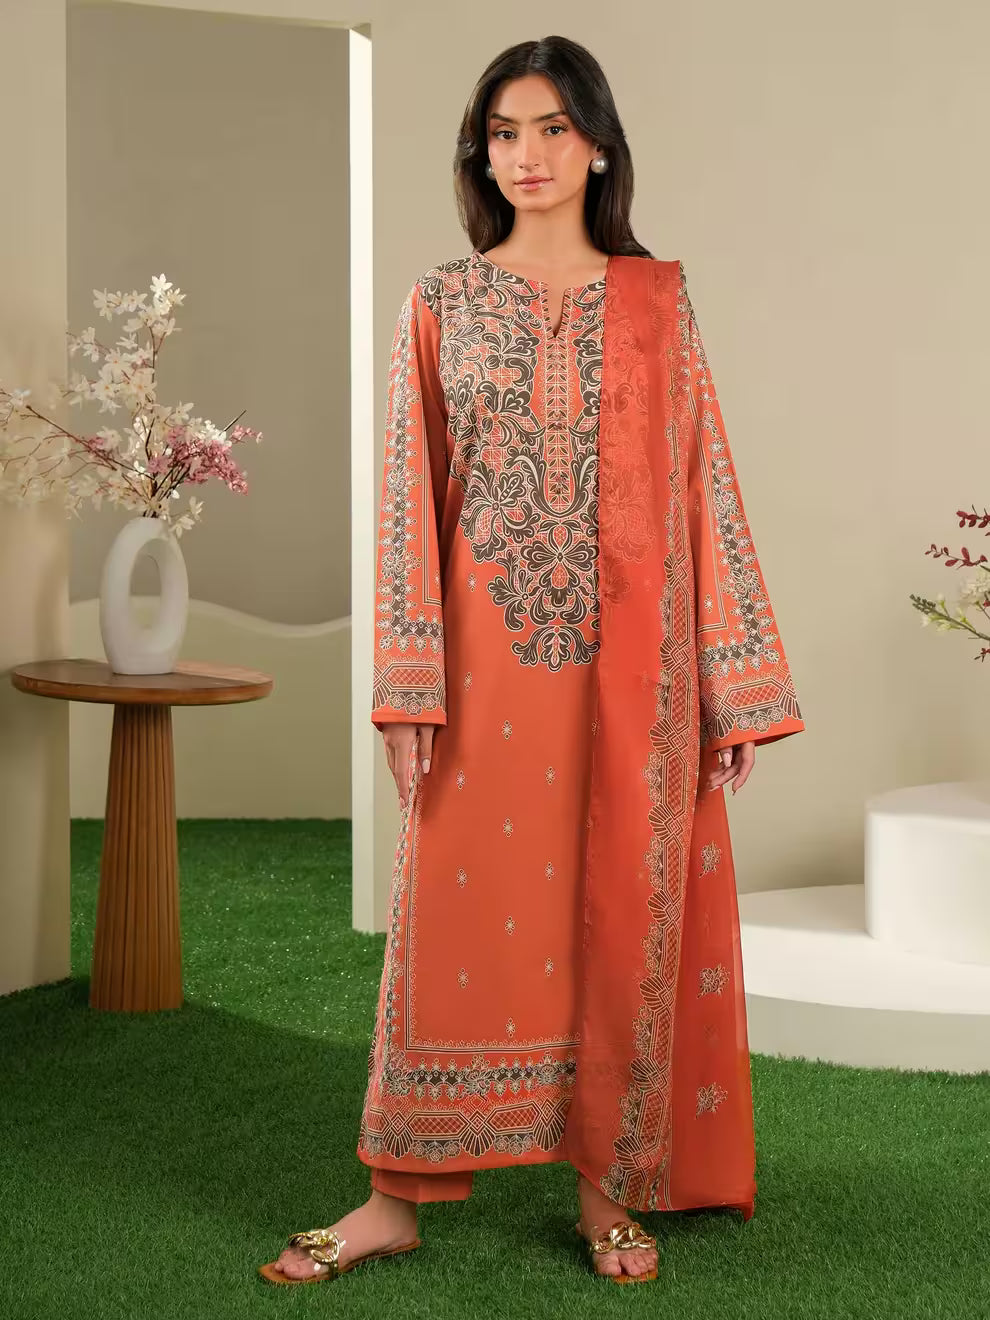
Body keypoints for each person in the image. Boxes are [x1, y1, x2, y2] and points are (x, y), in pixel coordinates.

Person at [259, 32, 804, 1289]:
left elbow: (703, 488)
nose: (527, 155)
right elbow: (408, 501)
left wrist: (729, 679)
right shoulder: (440, 304)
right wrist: (408, 682)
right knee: (450, 913)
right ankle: (396, 1193)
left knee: (615, 908)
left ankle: (608, 1191)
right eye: (504, 132)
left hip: (639, 676)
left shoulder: (658, 300)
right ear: (481, 151)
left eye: (552, 128)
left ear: (599, 141)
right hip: (488, 671)